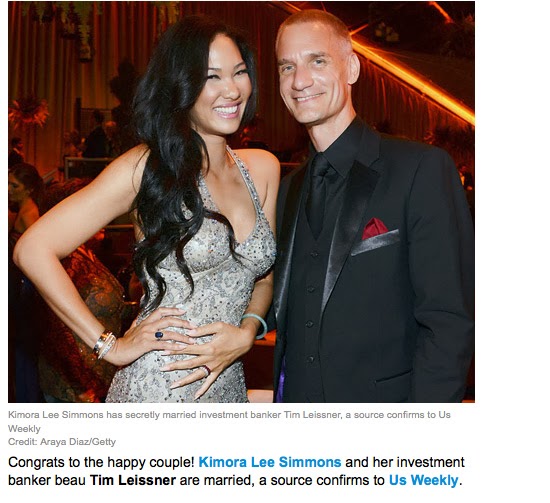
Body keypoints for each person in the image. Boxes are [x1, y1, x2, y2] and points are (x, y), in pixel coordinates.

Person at [14, 15, 279, 403]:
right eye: (211, 77)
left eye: (239, 72)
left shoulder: (264, 168)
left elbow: (263, 278)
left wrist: (248, 331)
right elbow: (33, 249)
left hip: (228, 386)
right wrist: (110, 346)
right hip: (158, 386)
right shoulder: (148, 166)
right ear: (180, 86)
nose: (232, 89)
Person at [272, 9, 474, 403]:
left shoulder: (421, 169)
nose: (299, 80)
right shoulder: (287, 190)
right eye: (286, 67)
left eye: (317, 60)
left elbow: (448, 321)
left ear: (351, 68)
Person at [38, 179, 125, 403]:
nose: (103, 217)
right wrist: (81, 385)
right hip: (75, 386)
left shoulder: (87, 252)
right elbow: (57, 328)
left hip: (98, 377)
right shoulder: (65, 260)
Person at [8, 163, 45, 402]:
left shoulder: (29, 214)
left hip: (24, 287)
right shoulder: (21, 209)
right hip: (20, 284)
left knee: (23, 347)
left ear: (29, 189)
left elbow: (36, 255)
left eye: (14, 186)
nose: (8, 189)